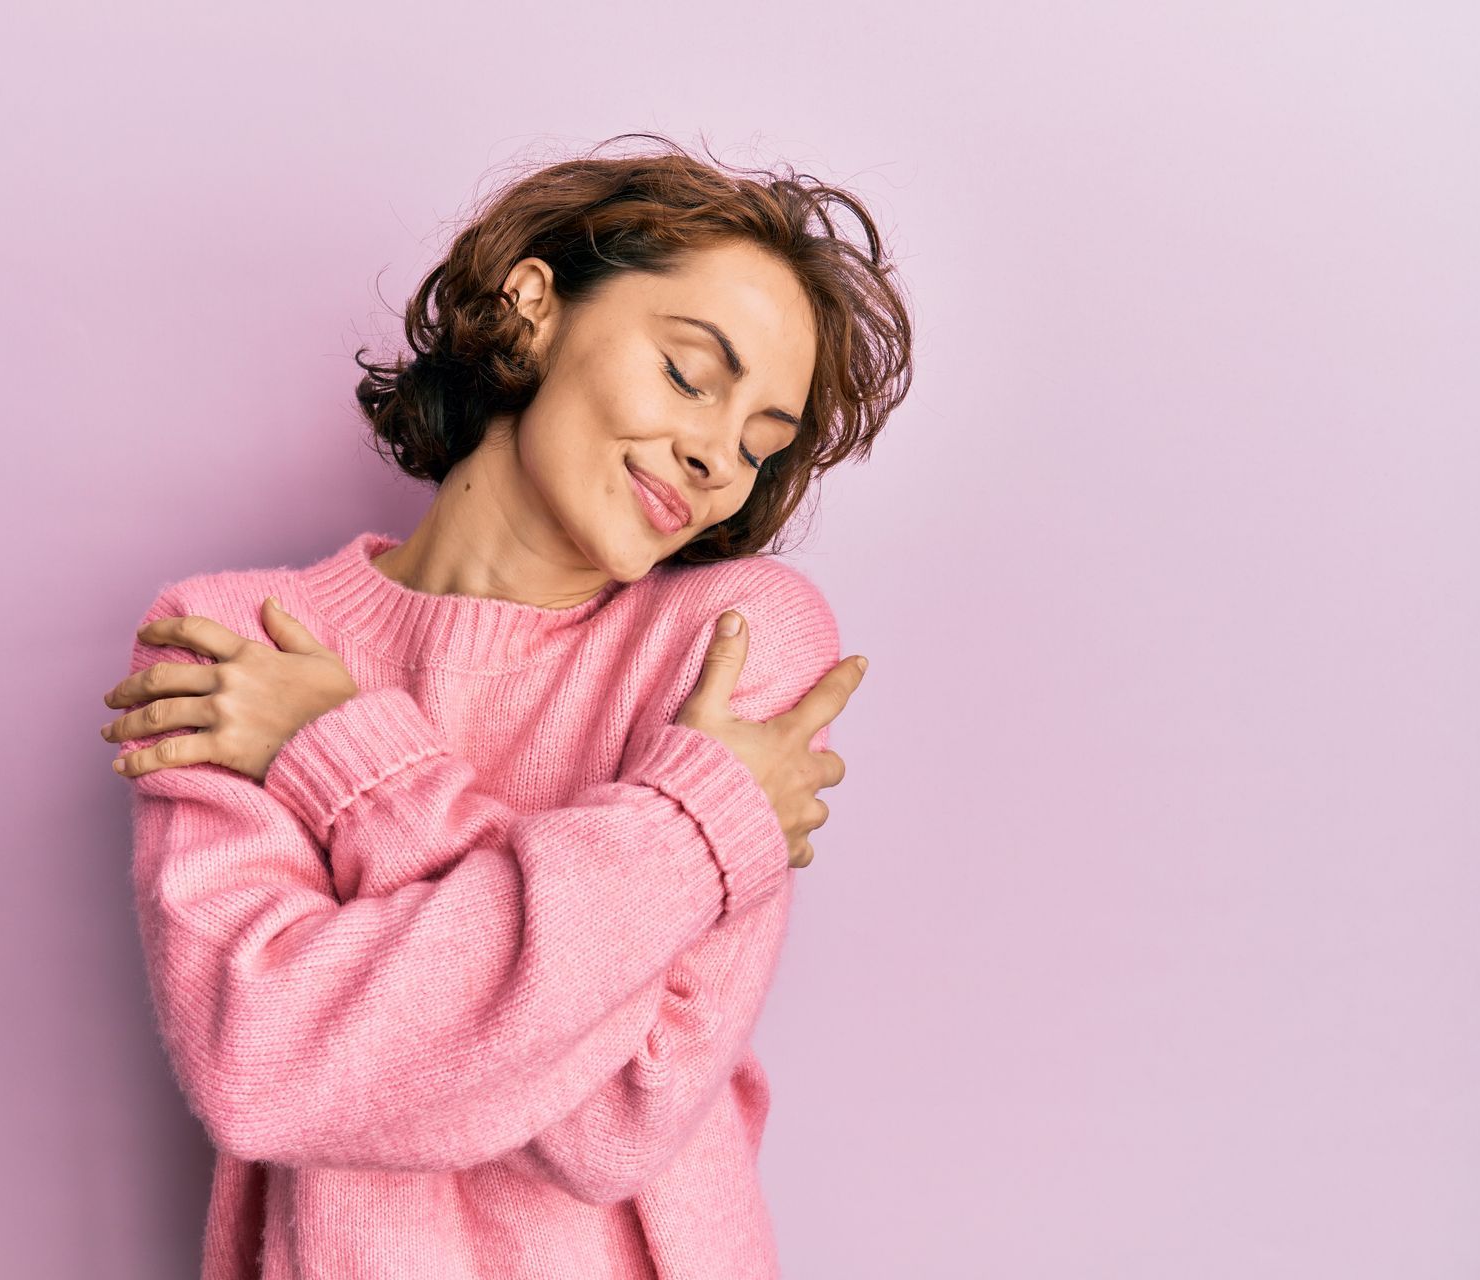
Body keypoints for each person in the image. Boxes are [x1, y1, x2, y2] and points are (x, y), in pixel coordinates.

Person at [97, 133, 913, 1279]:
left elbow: (623, 1113)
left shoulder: (736, 641)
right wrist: (694, 828)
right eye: (691, 374)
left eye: (758, 444)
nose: (713, 457)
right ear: (534, 305)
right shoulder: (234, 638)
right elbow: (260, 1062)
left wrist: (342, 756)